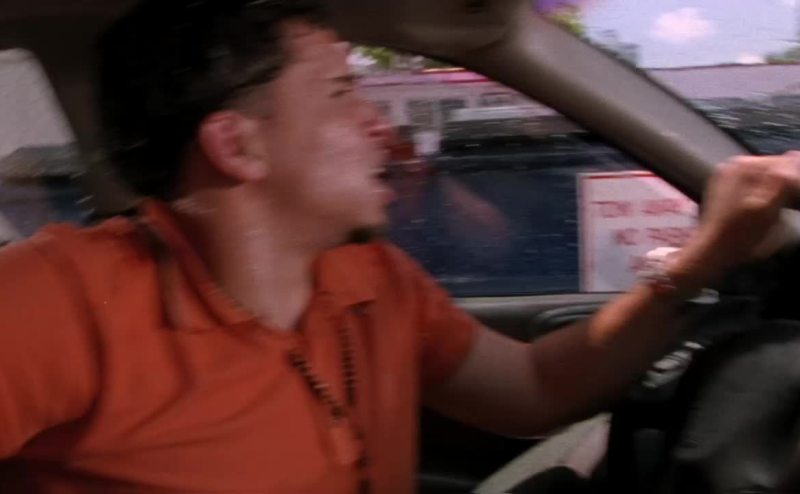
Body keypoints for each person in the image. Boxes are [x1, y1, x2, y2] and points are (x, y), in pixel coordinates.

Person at [0, 0, 797, 493]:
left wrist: (705, 257)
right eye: (343, 92)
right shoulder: (54, 300)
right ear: (237, 146)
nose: (380, 124)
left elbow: (532, 389)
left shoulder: (367, 277)